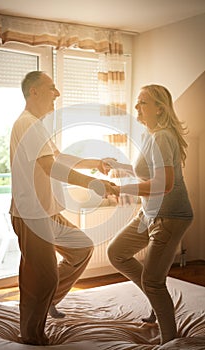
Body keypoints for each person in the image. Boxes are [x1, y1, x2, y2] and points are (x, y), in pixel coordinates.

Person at [9, 70, 117, 345]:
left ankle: (49, 301)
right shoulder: (28, 124)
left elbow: (58, 157)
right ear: (34, 92)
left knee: (81, 247)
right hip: (32, 215)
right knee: (42, 278)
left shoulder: (37, 124)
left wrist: (94, 162)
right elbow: (51, 167)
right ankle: (32, 337)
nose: (57, 93)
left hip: (47, 211)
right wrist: (93, 184)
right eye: (51, 87)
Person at [106, 84, 193, 345]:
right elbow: (147, 172)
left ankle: (169, 341)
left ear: (159, 108)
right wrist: (117, 166)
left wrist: (121, 188)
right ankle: (155, 301)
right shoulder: (150, 135)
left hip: (170, 216)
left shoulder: (163, 136)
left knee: (153, 281)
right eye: (137, 102)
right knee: (116, 252)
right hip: (149, 213)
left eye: (143, 102)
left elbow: (164, 184)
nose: (136, 107)